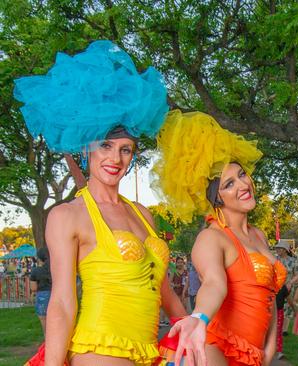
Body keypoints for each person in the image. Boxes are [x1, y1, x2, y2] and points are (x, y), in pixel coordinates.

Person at [14, 40, 202, 365]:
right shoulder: (67, 216)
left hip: (147, 350)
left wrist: (188, 328)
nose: (115, 158)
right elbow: (61, 300)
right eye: (105, 146)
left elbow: (163, 289)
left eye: (125, 149)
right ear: (87, 149)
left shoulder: (142, 214)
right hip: (99, 349)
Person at [152, 110, 286, 366]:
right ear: (216, 199)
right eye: (229, 185)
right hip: (215, 347)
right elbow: (215, 284)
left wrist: (268, 350)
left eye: (241, 175)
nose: (243, 186)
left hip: (256, 353)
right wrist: (200, 317)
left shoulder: (258, 234)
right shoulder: (211, 239)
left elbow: (269, 294)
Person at [30, 247, 52, 336]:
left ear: (39, 258)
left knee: (44, 319)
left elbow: (33, 288)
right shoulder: (57, 268)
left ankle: (48, 340)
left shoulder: (36, 271)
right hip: (57, 293)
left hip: (43, 295)